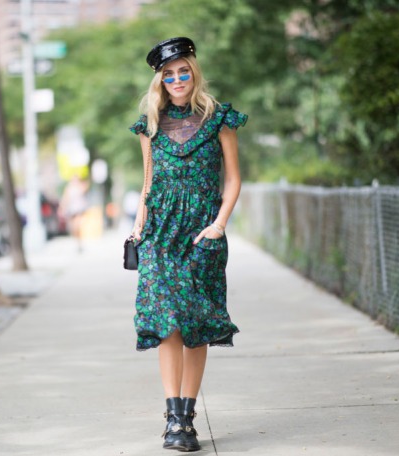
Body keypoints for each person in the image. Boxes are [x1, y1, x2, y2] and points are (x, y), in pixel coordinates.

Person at [129, 37, 247, 452]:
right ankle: (172, 420)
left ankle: (187, 419)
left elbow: (232, 178)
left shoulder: (218, 118)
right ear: (159, 80)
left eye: (183, 71)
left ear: (193, 73)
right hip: (161, 233)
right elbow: (148, 184)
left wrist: (218, 225)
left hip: (201, 232)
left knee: (195, 326)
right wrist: (137, 227)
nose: (177, 79)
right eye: (169, 74)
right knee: (167, 324)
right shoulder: (150, 125)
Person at [59, 174, 89, 250]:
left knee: (77, 225)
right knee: (73, 228)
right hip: (72, 210)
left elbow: (86, 188)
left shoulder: (80, 186)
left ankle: (80, 243)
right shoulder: (69, 188)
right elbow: (65, 198)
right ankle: (77, 242)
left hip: (79, 209)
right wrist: (62, 207)